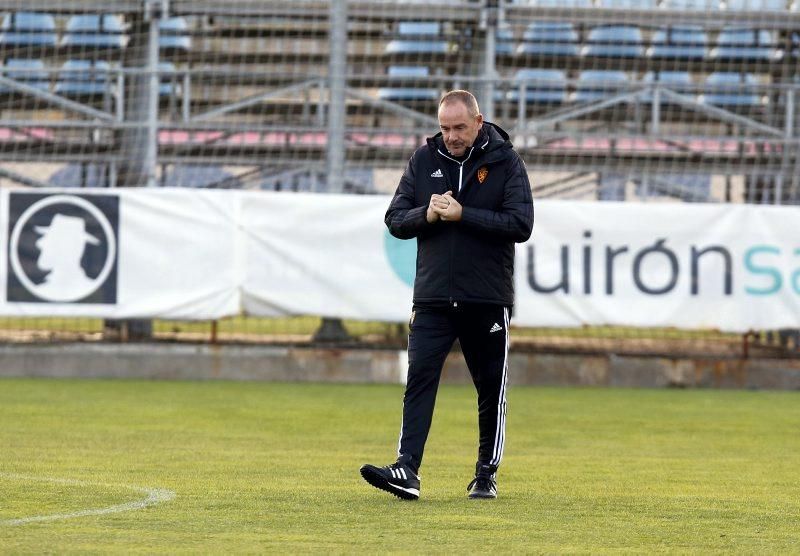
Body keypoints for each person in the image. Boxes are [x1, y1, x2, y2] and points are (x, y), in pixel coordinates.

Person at [360, 90, 534, 500]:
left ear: (478, 121)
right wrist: (428, 214)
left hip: (486, 297)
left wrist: (463, 214)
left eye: (458, 127)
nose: (451, 136)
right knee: (418, 380)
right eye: (444, 127)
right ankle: (406, 469)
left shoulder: (505, 161)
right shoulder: (424, 160)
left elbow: (521, 224)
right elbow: (395, 219)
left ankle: (486, 473)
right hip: (433, 297)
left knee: (490, 387)